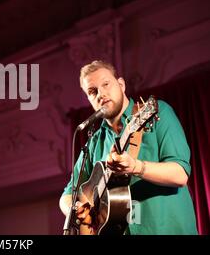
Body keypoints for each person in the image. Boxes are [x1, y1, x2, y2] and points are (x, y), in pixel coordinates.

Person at [59, 60, 198, 235]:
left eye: (106, 84)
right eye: (92, 92)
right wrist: (79, 209)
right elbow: (66, 196)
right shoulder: (94, 143)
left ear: (121, 85)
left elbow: (180, 174)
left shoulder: (157, 112)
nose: (101, 94)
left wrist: (136, 167)